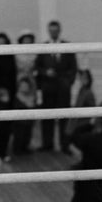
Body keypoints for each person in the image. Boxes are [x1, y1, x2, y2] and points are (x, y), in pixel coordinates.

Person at [35, 20, 77, 152]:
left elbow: (73, 67)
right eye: (51, 30)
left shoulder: (68, 46)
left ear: (59, 31)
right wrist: (45, 72)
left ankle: (64, 145)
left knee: (64, 116)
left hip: (63, 88)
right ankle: (48, 144)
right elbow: (37, 66)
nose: (53, 32)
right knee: (47, 117)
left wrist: (68, 82)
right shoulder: (43, 47)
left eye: (55, 30)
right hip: (48, 87)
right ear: (49, 31)